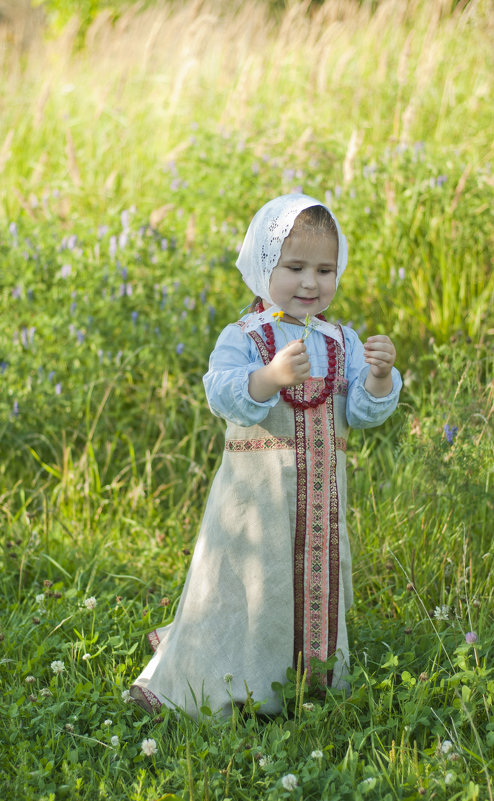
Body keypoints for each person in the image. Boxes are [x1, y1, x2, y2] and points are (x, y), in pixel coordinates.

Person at [130, 193, 402, 717]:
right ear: (263, 264)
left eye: (325, 270)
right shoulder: (247, 337)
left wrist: (379, 375)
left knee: (311, 582)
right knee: (251, 584)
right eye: (294, 266)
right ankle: (230, 677)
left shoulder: (342, 340)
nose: (310, 283)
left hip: (320, 509)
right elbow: (222, 392)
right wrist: (270, 377)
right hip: (255, 506)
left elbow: (365, 412)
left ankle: (310, 680)